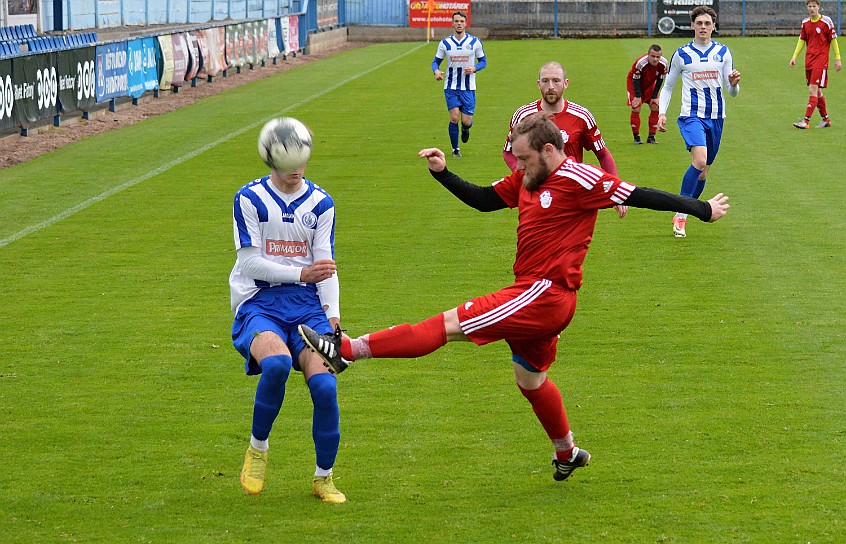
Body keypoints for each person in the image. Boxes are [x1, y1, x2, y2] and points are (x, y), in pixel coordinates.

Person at [299, 114, 730, 483]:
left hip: (544, 293)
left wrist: (701, 209)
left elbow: (640, 195)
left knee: (450, 323)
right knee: (530, 381)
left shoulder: (579, 177)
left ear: (547, 150)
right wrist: (443, 173)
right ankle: (567, 453)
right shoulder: (529, 177)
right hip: (536, 296)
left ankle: (349, 351)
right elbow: (486, 201)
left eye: (523, 158)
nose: (519, 167)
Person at [230, 123, 346, 503]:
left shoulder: (321, 203)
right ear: (271, 159)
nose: (297, 169)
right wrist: (300, 272)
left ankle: (323, 477)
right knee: (276, 365)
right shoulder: (249, 198)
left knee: (325, 387)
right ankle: (257, 450)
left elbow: (325, 266)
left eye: (302, 159)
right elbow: (250, 264)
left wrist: (332, 317)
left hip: (307, 306)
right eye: (288, 162)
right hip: (259, 303)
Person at [658, 5, 740, 239]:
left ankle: (688, 209)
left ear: (714, 26)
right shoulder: (682, 54)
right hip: (691, 116)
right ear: (692, 25)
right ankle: (681, 214)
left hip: (716, 118)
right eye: (699, 23)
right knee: (700, 159)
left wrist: (733, 83)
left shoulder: (723, 52)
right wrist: (662, 113)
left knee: (703, 174)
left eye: (707, 23)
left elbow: (731, 91)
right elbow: (669, 87)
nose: (703, 27)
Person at [504, 61, 618, 176]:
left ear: (566, 83)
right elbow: (508, 152)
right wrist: (524, 175)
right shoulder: (523, 115)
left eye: (556, 81)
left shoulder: (581, 116)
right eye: (545, 81)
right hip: (537, 189)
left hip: (570, 189)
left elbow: (603, 154)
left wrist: (615, 187)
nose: (550, 87)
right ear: (539, 84)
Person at [432, 11, 487, 158]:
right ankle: (455, 149)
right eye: (456, 21)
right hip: (451, 87)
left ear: (465, 23)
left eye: (461, 21)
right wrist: (436, 71)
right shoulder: (445, 43)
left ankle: (466, 128)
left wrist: (474, 68)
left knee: (466, 121)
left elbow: (483, 62)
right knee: (454, 117)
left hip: (468, 88)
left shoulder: (475, 42)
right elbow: (435, 62)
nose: (459, 24)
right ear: (452, 23)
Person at [789, 0, 841, 129]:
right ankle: (826, 119)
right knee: (817, 92)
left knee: (812, 89)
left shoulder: (826, 21)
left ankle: (806, 121)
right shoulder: (805, 23)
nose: (812, 8)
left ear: (819, 7)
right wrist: (794, 57)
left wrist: (838, 58)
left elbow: (833, 40)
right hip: (809, 61)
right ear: (807, 7)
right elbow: (802, 40)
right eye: (810, 6)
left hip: (821, 61)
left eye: (814, 6)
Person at [627, 44, 669, 144]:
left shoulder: (664, 64)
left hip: (650, 85)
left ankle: (651, 137)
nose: (655, 59)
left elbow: (660, 80)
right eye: (653, 56)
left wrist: (655, 96)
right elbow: (635, 79)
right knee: (636, 107)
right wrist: (637, 96)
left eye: (658, 57)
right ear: (648, 55)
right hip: (634, 85)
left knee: (656, 106)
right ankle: (636, 137)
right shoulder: (641, 63)